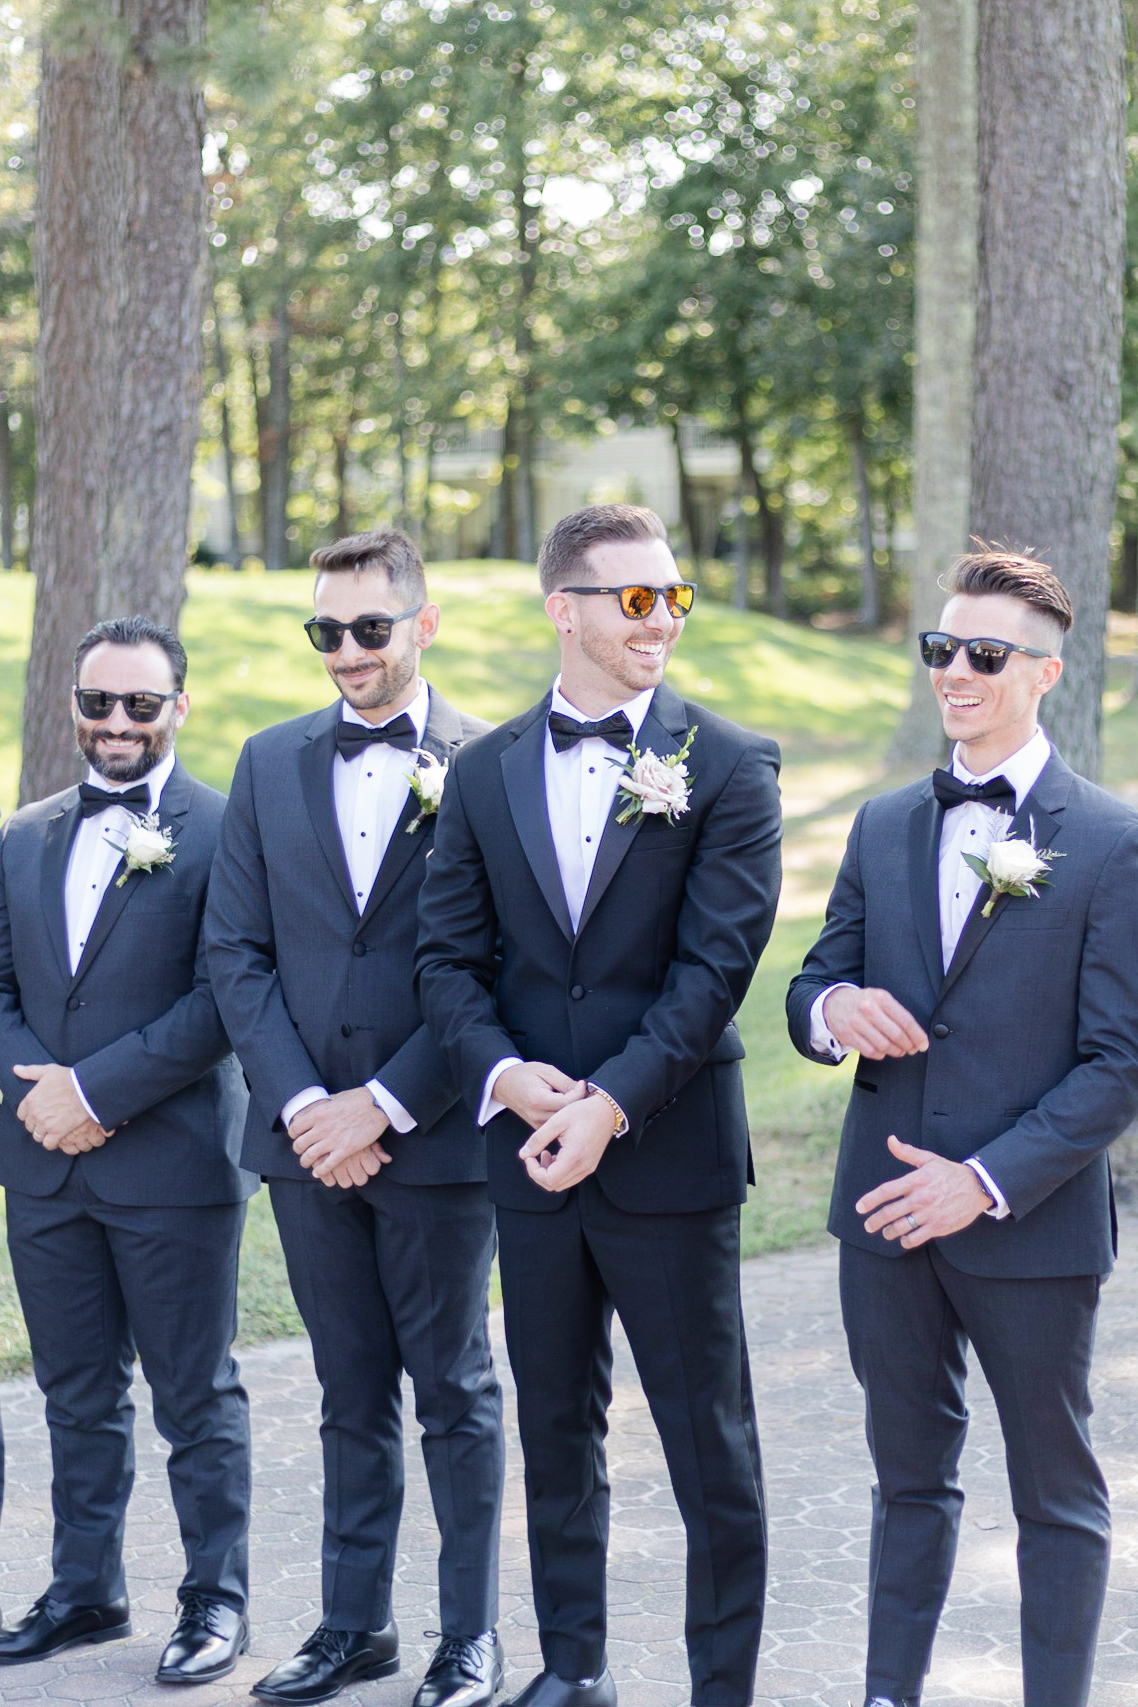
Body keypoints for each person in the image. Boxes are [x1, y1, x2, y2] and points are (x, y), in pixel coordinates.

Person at [415, 503, 783, 1707]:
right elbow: (447, 963)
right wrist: (511, 1082)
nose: (663, 619)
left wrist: (609, 1105)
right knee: (555, 1430)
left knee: (708, 1445)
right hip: (527, 1157)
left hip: (666, 1156)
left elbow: (713, 972)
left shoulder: (729, 764)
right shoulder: (478, 773)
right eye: (636, 599)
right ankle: (573, 1669)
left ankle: (720, 1686)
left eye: (674, 598)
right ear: (561, 608)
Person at [786, 549, 1138, 1707]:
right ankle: (889, 1692)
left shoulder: (1108, 839)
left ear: (1043, 673)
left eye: (983, 654)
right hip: (880, 1218)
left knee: (1054, 1491)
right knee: (906, 1480)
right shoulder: (885, 824)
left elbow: (1119, 1061)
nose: (954, 671)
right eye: (940, 648)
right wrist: (834, 1011)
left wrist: (981, 1181)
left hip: (1028, 1229)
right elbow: (810, 984)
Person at [206, 529, 505, 1707]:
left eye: (368, 628)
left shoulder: (489, 763)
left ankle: (466, 1636)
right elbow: (235, 951)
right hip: (301, 1145)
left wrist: (381, 1105)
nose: (344, 650)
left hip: (432, 1138)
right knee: (346, 1393)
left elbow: (498, 967)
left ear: (422, 626)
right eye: (323, 630)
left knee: (456, 1392)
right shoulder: (268, 762)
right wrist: (303, 1109)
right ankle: (351, 1627)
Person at [0, 616, 254, 1684]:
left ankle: (215, 1600)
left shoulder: (228, 830)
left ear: (178, 709)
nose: (116, 723)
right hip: (43, 1164)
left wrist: (95, 1092)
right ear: (72, 706)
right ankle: (86, 1589)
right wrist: (43, 1099)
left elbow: (225, 997)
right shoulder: (22, 836)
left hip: (174, 1162)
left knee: (193, 1395)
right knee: (73, 1392)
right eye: (97, 702)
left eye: (140, 704)